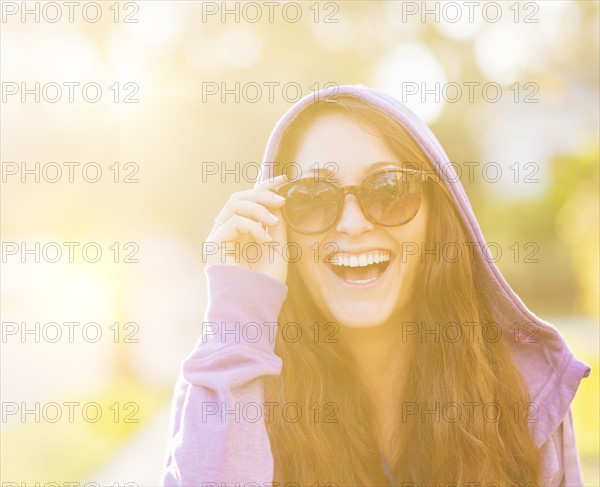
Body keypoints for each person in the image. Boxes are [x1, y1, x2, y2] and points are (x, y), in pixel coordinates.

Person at [161, 84, 591, 486]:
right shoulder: (227, 381)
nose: (352, 224)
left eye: (389, 189)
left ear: (437, 217)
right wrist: (240, 316)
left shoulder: (524, 389)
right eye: (312, 196)